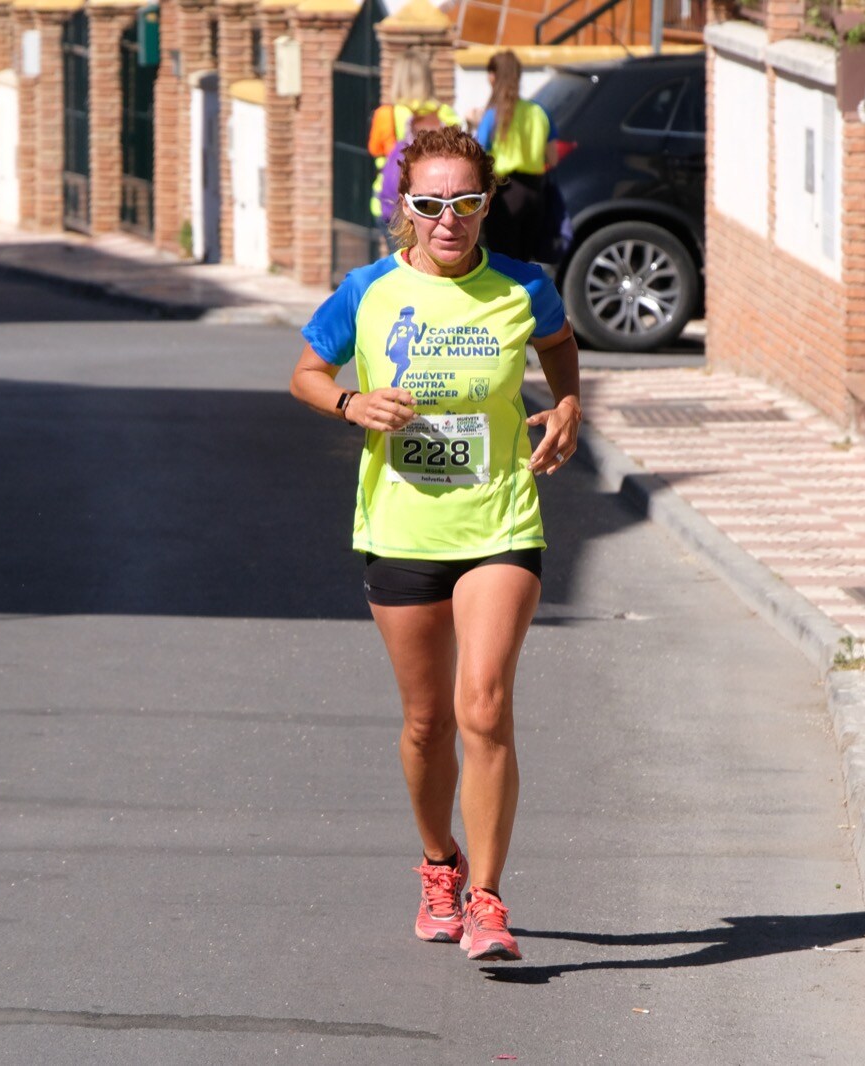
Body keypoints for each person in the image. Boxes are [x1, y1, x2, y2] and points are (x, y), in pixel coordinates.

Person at [289, 127, 582, 962]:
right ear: (404, 209)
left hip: (499, 521)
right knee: (426, 724)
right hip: (402, 527)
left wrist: (567, 407)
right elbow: (306, 372)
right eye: (428, 203)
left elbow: (561, 351)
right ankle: (439, 864)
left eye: (464, 202)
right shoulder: (368, 291)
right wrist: (350, 405)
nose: (447, 219)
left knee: (482, 705)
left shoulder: (524, 287)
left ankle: (488, 901)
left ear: (487, 203)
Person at [472, 50, 556, 262]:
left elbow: (478, 154)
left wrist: (473, 124)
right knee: (524, 260)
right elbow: (552, 159)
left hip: (505, 193)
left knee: (502, 261)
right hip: (535, 192)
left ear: (493, 77)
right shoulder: (539, 112)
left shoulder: (493, 115)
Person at [368, 50, 460, 242]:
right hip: (434, 204)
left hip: (390, 202)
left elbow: (375, 150)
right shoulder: (445, 115)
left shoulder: (386, 114)